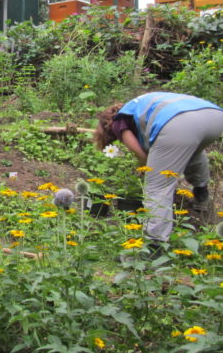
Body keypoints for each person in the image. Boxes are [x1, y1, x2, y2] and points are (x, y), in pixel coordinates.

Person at [94, 91, 223, 246]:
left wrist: (147, 174)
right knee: (193, 152)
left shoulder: (118, 122)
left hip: (179, 122)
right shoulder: (138, 106)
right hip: (213, 116)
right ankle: (201, 192)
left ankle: (155, 244)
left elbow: (142, 156)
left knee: (156, 186)